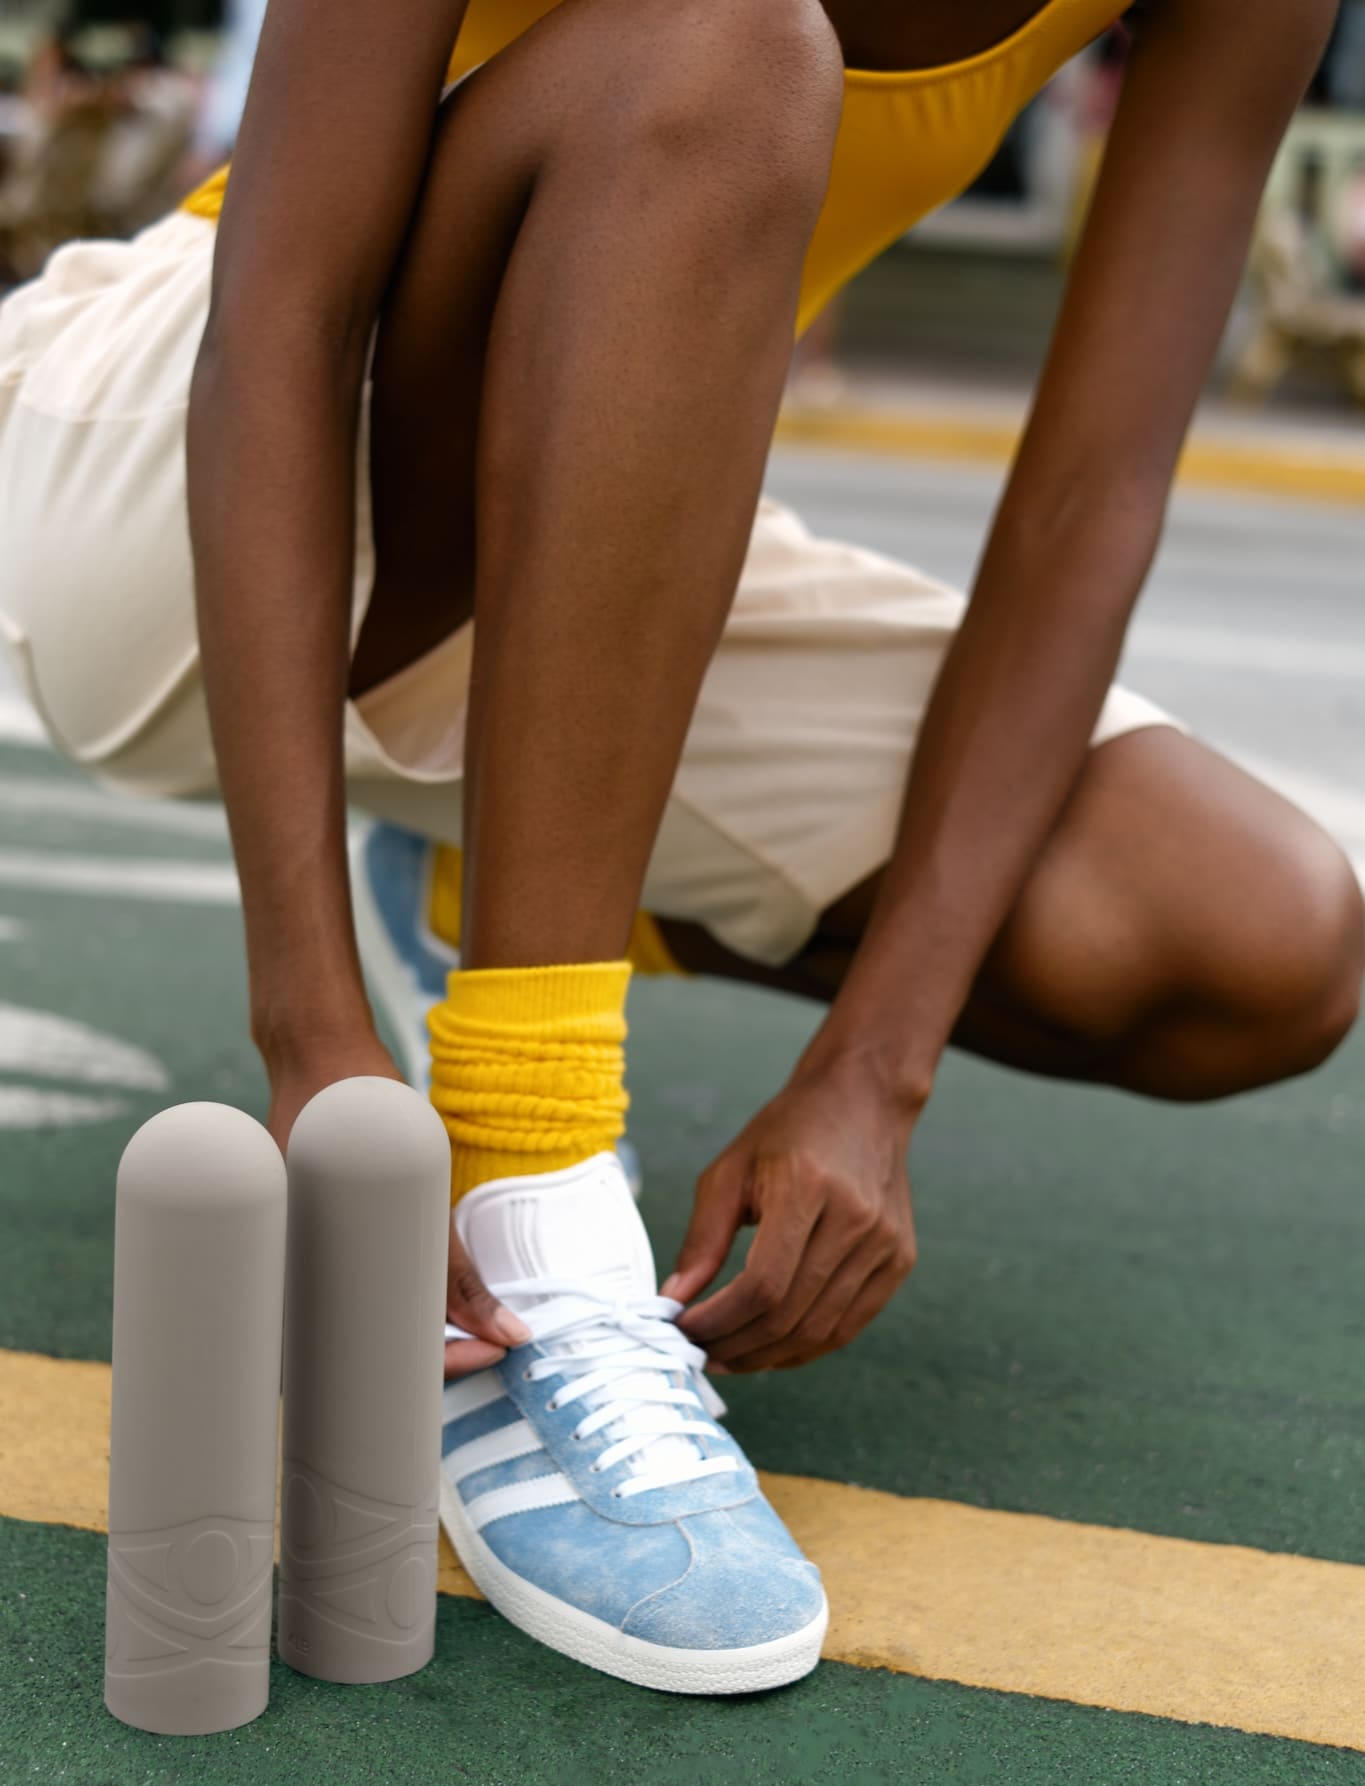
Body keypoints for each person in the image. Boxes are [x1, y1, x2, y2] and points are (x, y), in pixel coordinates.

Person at [0, 0, 1359, 1694]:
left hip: (567, 532)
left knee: (1243, 938)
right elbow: (282, 318)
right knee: (720, 43)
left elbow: (1090, 491)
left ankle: (506, 896)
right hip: (169, 486)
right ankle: (537, 1165)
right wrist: (318, 1040)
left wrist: (877, 1066)